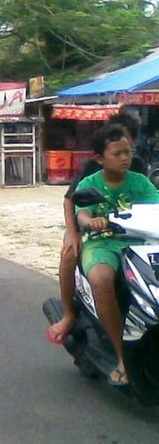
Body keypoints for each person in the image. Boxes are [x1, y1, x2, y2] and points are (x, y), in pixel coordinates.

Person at [46, 112, 147, 346]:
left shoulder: (138, 167)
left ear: (133, 141)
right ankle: (69, 314)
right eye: (116, 141)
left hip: (129, 230)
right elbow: (71, 200)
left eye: (126, 140)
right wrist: (73, 234)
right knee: (69, 254)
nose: (123, 152)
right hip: (90, 227)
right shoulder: (91, 168)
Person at [73, 124, 159, 385]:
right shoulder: (90, 183)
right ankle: (121, 356)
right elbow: (82, 212)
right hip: (102, 243)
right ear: (100, 158)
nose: (125, 158)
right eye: (117, 153)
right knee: (100, 278)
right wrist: (90, 222)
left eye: (128, 152)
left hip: (140, 242)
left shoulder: (141, 182)